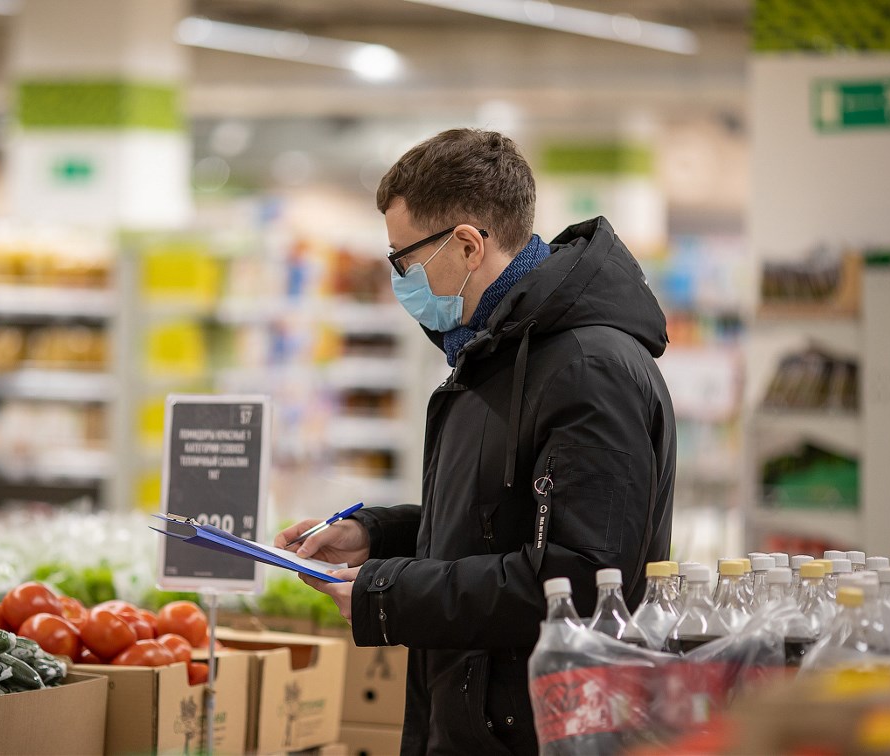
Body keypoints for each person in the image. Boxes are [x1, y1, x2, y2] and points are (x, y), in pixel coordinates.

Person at [276, 128, 676, 755]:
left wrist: (388, 594)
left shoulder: (586, 370)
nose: (399, 278)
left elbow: (581, 578)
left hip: (536, 728)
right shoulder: (494, 351)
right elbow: (503, 523)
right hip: (478, 715)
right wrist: (376, 536)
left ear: (466, 244)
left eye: (402, 258)